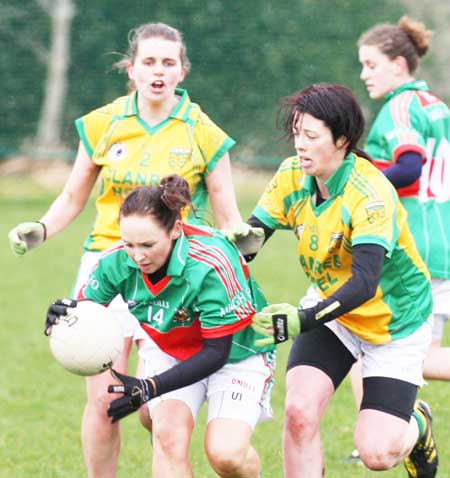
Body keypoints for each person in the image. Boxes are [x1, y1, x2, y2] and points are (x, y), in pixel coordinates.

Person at [8, 22, 251, 478]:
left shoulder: (202, 131)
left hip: (180, 276)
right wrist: (41, 228)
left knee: (152, 404)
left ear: (183, 71)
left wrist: (241, 239)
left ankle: (164, 420)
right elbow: (73, 197)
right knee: (104, 401)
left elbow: (227, 214)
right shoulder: (104, 123)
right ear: (131, 68)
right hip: (109, 268)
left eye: (168, 62)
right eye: (149, 62)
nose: (158, 71)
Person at [232, 83, 438, 477]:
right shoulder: (293, 175)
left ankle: (417, 426)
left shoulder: (370, 192)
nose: (300, 145)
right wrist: (219, 249)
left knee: (377, 454)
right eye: (296, 133)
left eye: (311, 136)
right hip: (335, 311)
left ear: (342, 139)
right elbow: (253, 239)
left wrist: (302, 319)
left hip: (392, 323)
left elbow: (363, 283)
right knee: (298, 413)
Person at [46, 175, 275, 478]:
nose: (138, 255)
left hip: (236, 354)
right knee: (168, 438)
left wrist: (150, 386)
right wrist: (63, 316)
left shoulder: (211, 262)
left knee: (226, 455)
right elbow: (87, 311)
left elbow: (216, 352)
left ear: (176, 230)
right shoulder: (116, 261)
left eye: (148, 244)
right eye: (129, 244)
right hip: (170, 350)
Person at [346, 16, 450, 464]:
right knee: (412, 352)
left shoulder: (402, 105)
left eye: (371, 64)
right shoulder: (435, 104)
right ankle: (397, 430)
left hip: (416, 248)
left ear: (399, 64)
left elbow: (409, 166)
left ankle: (397, 430)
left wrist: (358, 181)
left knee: (365, 339)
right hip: (440, 238)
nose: (365, 74)